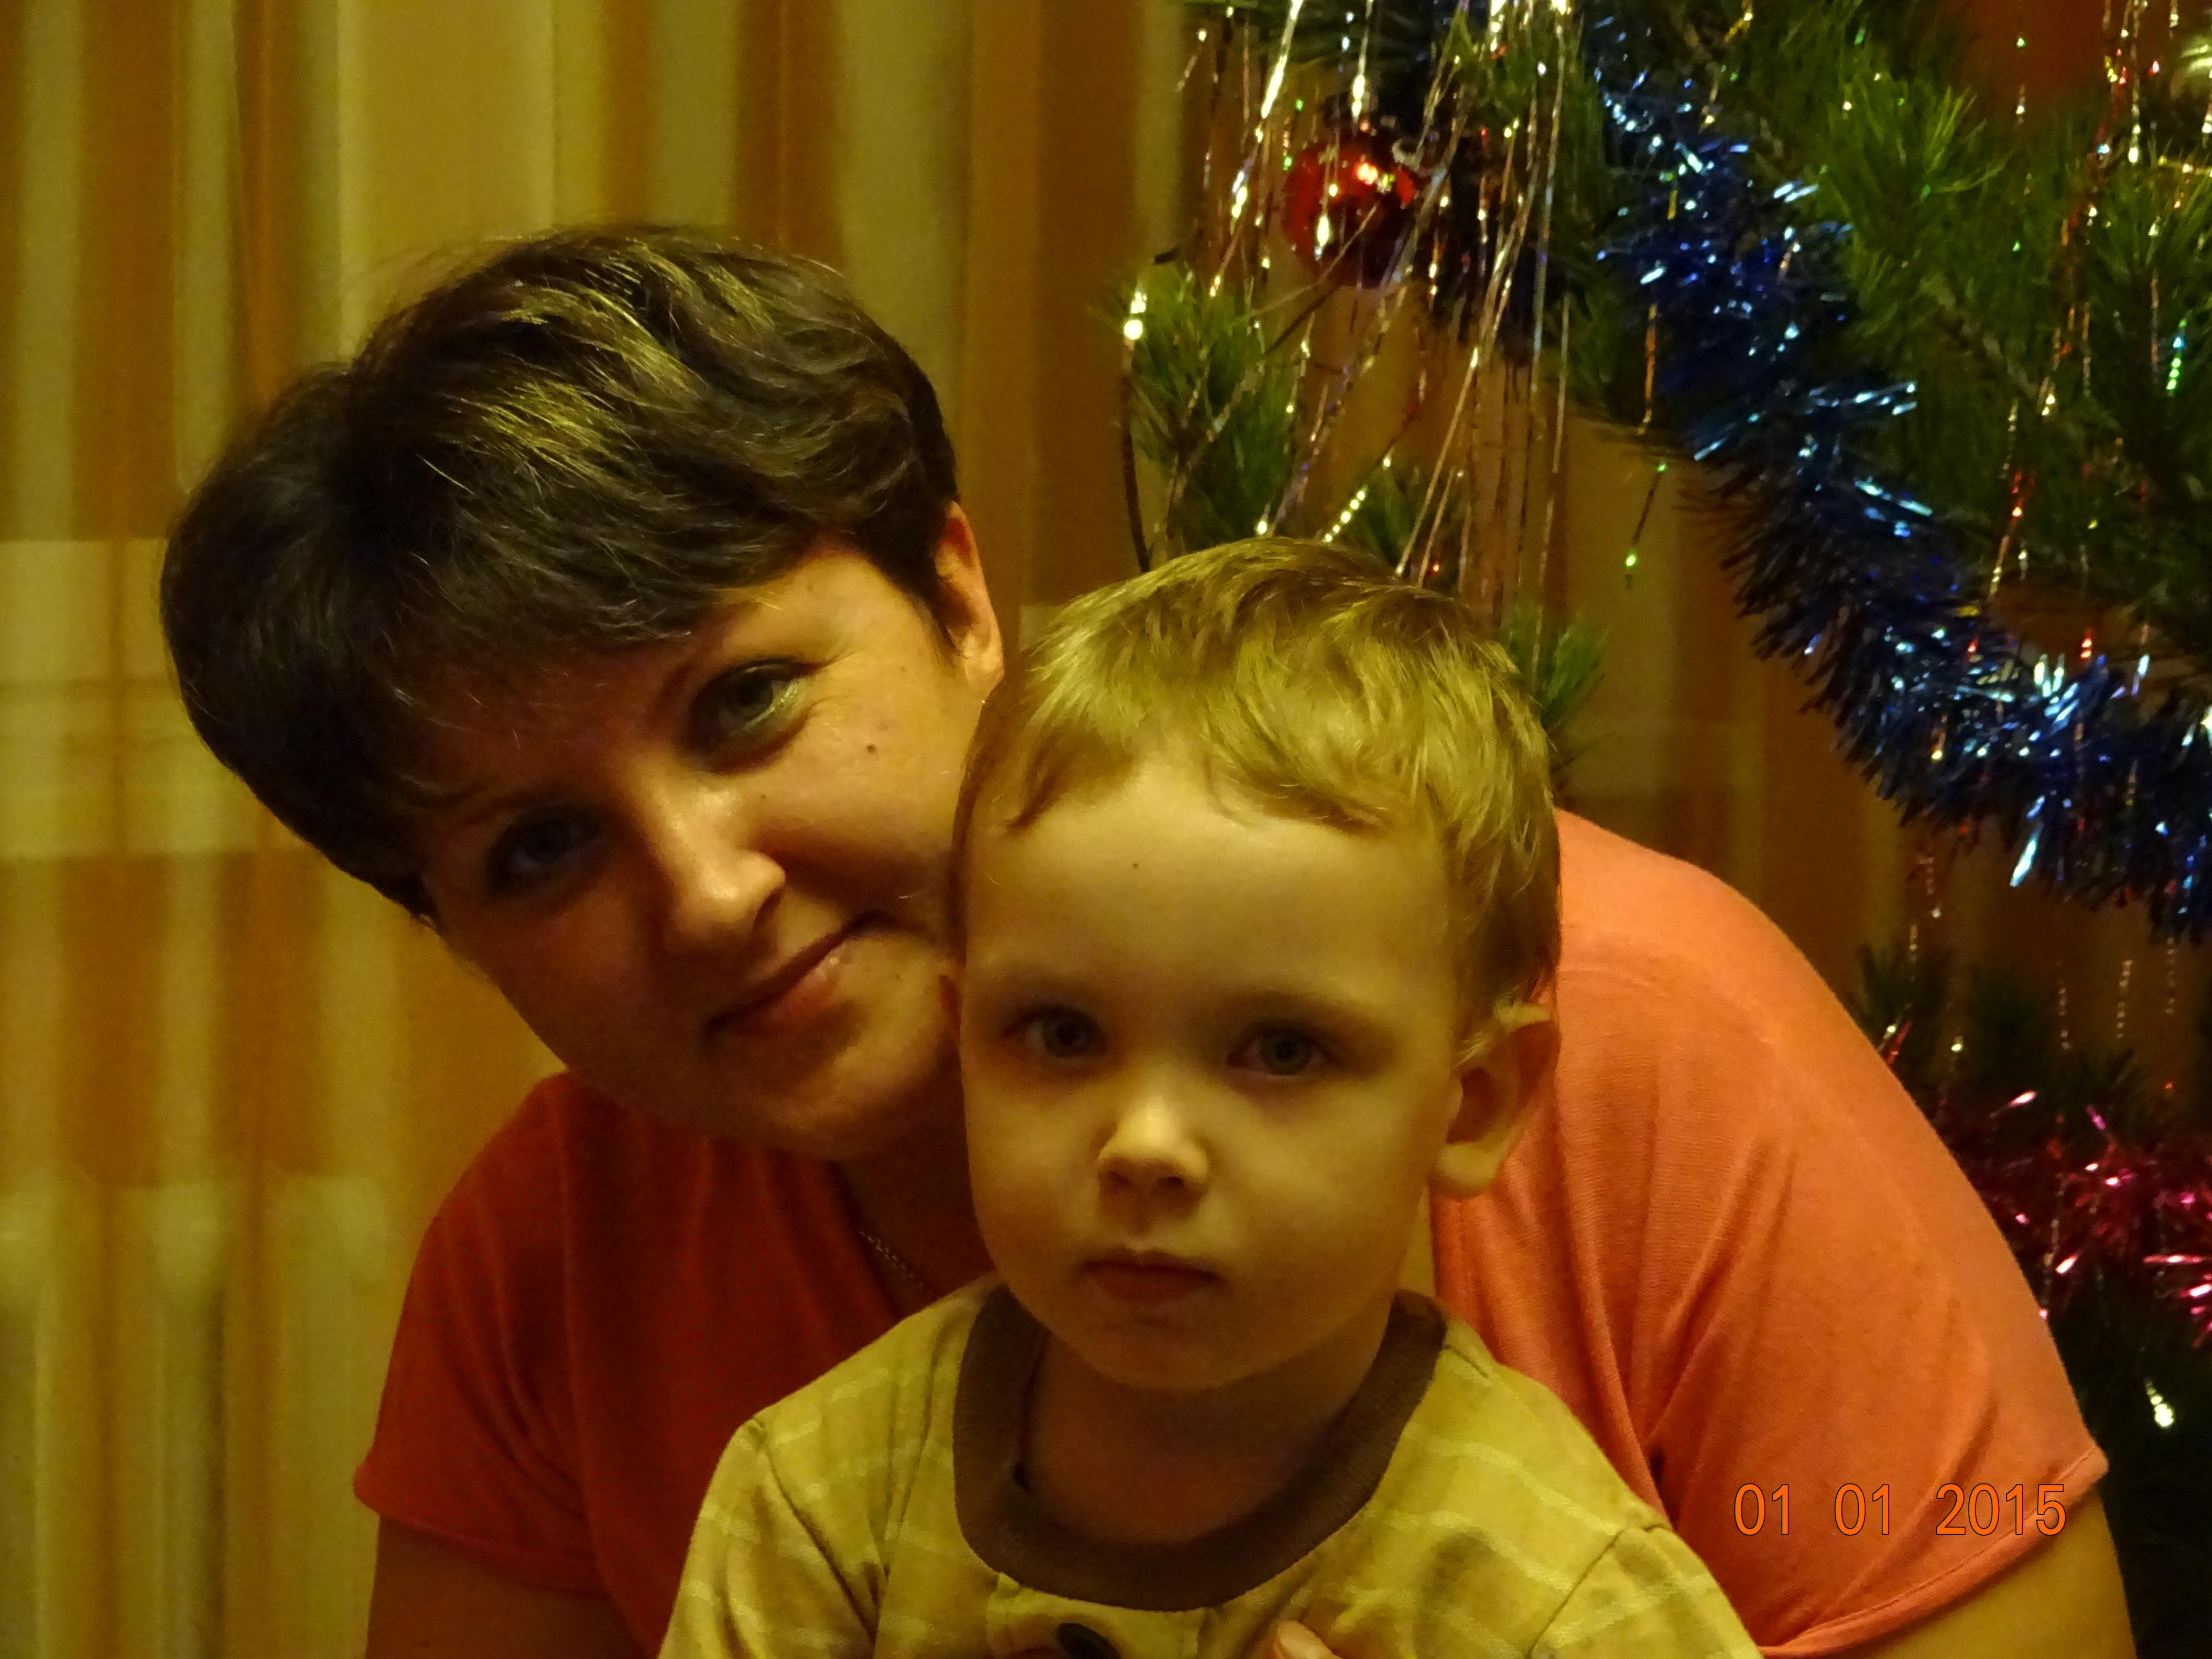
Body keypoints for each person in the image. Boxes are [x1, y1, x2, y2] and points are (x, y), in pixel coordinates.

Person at [160, 226, 2132, 1659]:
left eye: (746, 702)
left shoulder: (1633, 1033)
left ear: (954, 593)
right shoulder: (556, 1262)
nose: (708, 889)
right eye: (540, 846)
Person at [660, 537, 1761, 1658]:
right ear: (966, 1040)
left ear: (1471, 1103)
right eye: (1062, 1033)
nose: (1145, 1144)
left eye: (1279, 1050)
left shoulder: (1565, 1591)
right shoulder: (818, 1503)